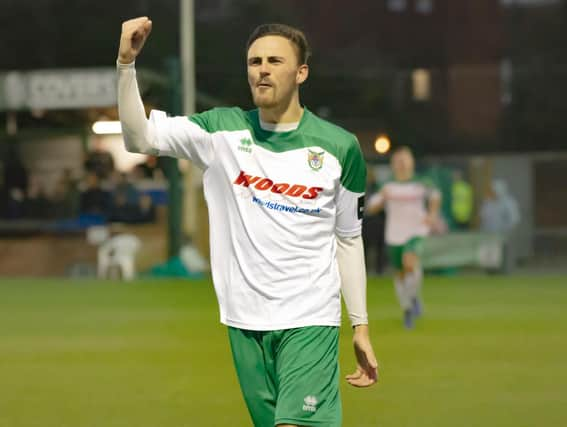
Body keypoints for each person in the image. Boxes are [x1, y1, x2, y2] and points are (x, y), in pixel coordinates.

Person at [117, 18, 378, 427]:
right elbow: (139, 139)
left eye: (275, 60)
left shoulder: (340, 147)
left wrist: (359, 324)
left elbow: (348, 238)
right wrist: (125, 64)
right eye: (255, 61)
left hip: (310, 317)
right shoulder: (220, 130)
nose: (263, 69)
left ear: (301, 72)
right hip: (243, 320)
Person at [366, 146, 441, 329]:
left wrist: (431, 214)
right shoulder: (388, 186)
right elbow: (371, 207)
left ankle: (410, 305)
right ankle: (409, 304)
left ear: (411, 163)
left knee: (410, 263)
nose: (402, 164)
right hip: (394, 235)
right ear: (393, 165)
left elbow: (435, 196)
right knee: (400, 274)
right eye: (398, 161)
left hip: (416, 231)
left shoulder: (422, 183)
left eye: (405, 160)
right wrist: (380, 200)